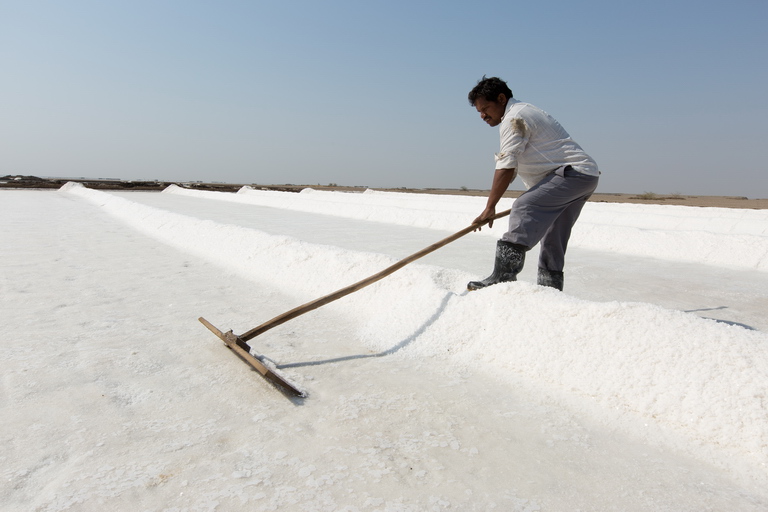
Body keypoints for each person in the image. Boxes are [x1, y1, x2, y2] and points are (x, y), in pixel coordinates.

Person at [467, 76, 600, 292]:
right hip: (585, 175)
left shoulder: (514, 118)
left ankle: (502, 278)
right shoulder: (523, 111)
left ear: (501, 99)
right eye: (479, 112)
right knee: (553, 235)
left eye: (485, 109)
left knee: (524, 207)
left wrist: (490, 207)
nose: (483, 116)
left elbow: (506, 165)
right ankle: (550, 290)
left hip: (571, 175)